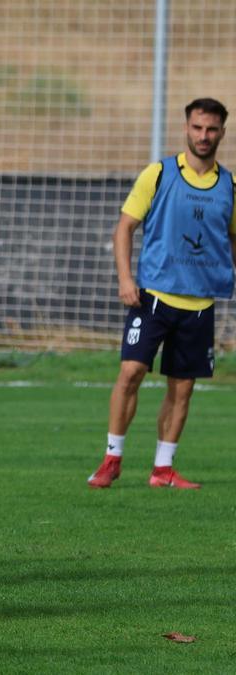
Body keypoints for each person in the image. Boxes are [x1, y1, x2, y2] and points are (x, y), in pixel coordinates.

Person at [87, 97, 234, 490]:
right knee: (131, 371)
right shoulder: (159, 173)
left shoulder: (229, 186)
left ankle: (163, 468)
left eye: (212, 129)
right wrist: (124, 278)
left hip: (201, 303)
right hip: (152, 296)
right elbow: (124, 227)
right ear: (186, 128)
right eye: (198, 128)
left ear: (222, 131)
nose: (204, 136)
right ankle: (112, 458)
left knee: (182, 388)